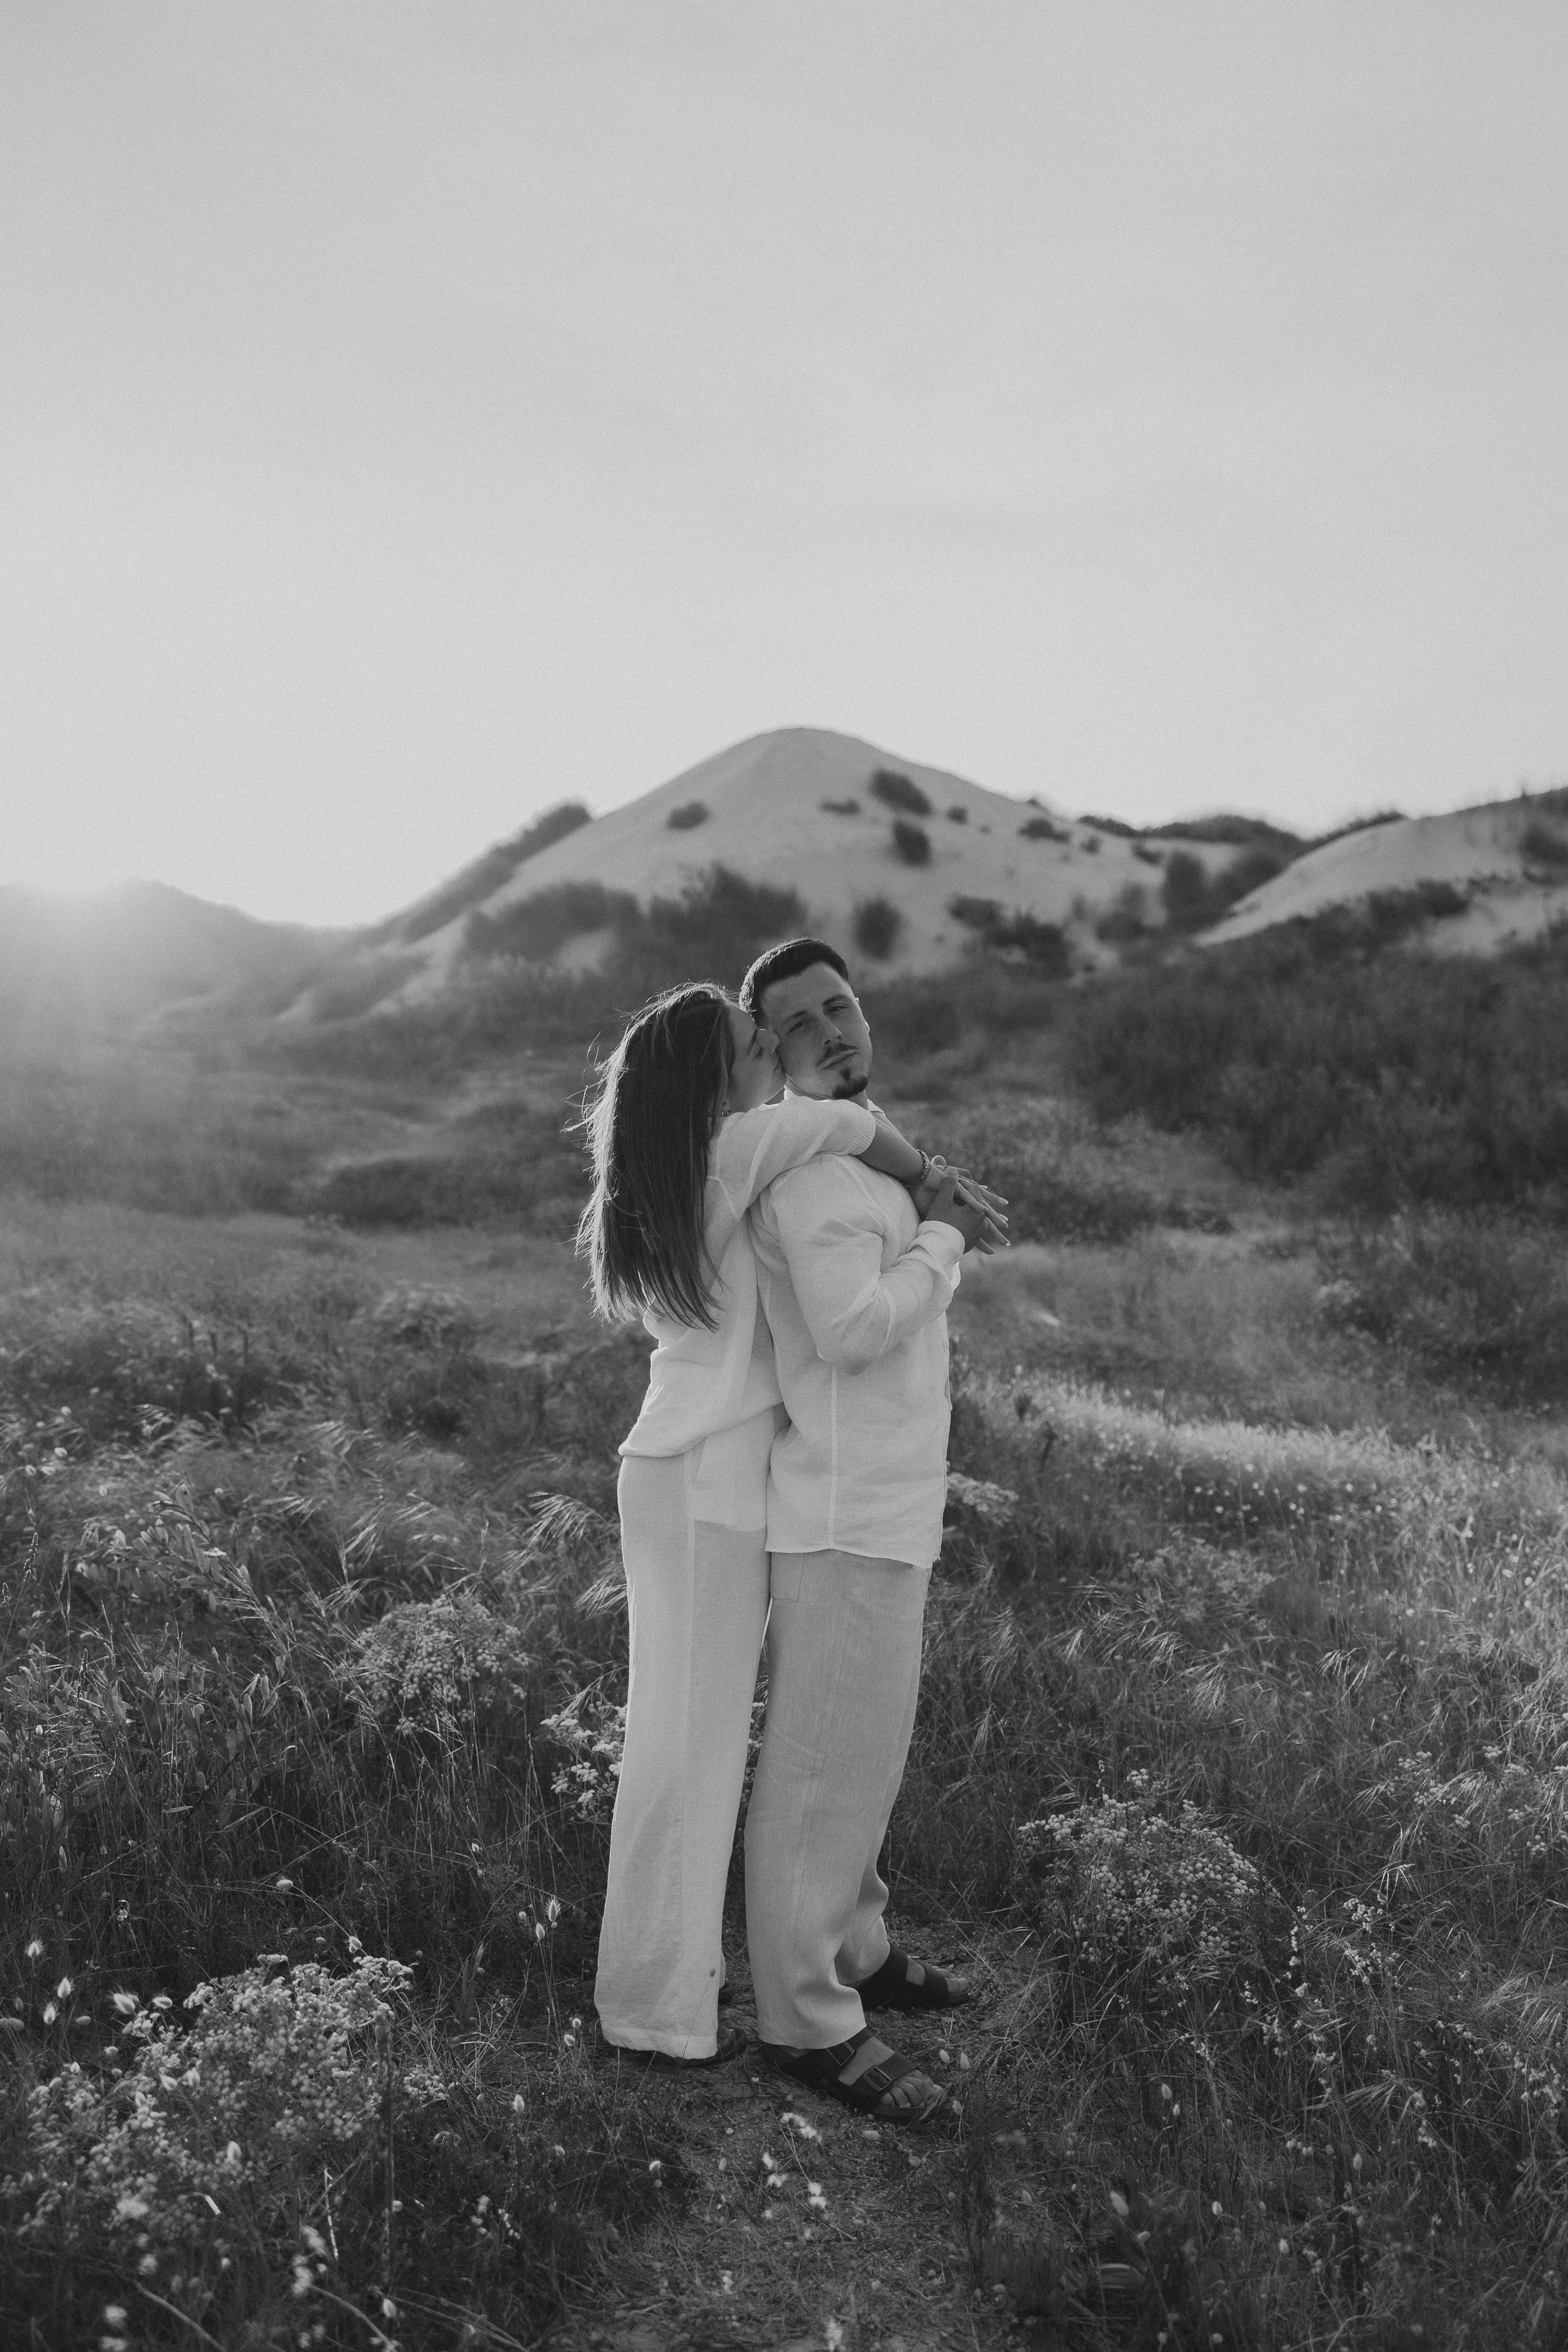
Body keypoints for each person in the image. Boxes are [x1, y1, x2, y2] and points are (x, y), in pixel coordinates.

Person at [576, 982, 998, 2066]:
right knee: (689, 1746)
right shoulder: (735, 1148)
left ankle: (674, 1986)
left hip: (696, 1474)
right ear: (715, 1082)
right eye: (760, 1043)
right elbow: (851, 1124)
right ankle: (655, 2008)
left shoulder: (701, 1159)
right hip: (700, 1482)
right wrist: (936, 1197)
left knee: (690, 1740)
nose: (778, 1055)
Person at [738, 937, 992, 2123]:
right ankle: (803, 2018)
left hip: (886, 1500)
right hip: (840, 1513)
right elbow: (847, 1332)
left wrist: (930, 1222)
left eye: (841, 1005)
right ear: (770, 1049)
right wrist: (944, 1240)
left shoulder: (862, 1152)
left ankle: (857, 1950)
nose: (832, 1031)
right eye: (800, 1022)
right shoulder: (809, 1175)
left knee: (867, 1758)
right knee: (818, 1771)